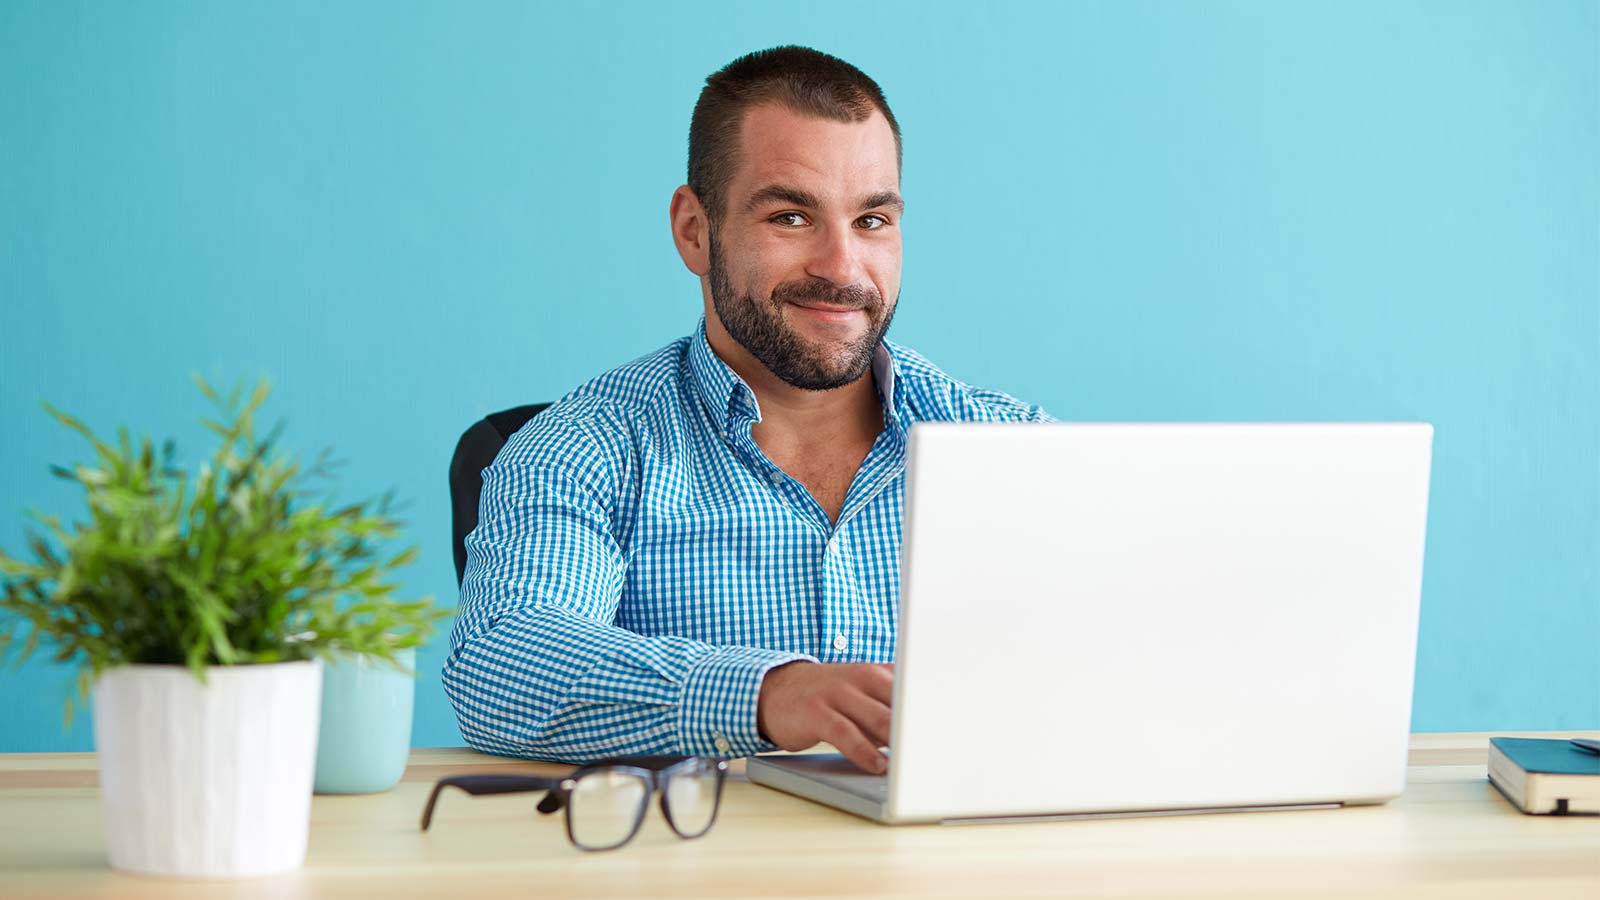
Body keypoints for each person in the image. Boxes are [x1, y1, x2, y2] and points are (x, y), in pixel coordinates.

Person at [443, 46, 1051, 775]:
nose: (842, 268)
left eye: (871, 221)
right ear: (695, 231)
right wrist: (766, 694)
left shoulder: (1016, 449)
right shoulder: (584, 448)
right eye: (792, 217)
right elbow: (500, 663)